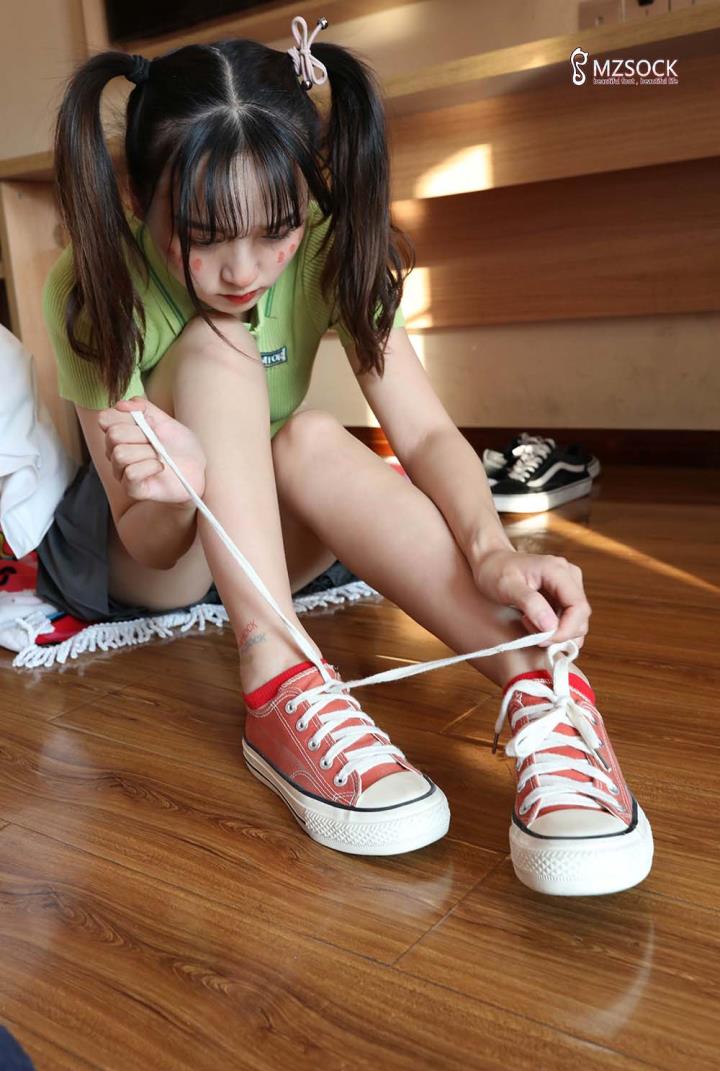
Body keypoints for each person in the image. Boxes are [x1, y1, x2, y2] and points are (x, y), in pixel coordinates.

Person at [38, 16, 652, 894]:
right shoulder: (93, 276)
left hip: (262, 537)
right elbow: (148, 543)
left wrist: (493, 551)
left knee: (315, 437)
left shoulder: (330, 241)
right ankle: (279, 680)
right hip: (151, 543)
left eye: (276, 230)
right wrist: (185, 481)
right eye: (205, 235)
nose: (245, 270)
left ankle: (546, 695)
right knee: (218, 343)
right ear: (138, 198)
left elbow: (426, 433)